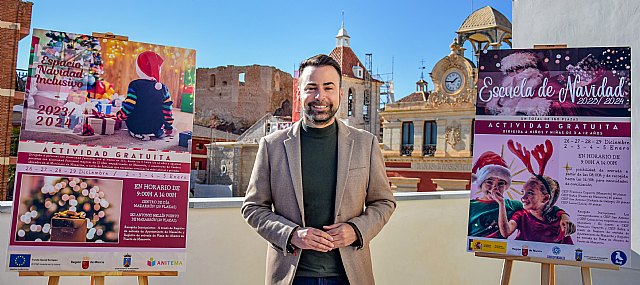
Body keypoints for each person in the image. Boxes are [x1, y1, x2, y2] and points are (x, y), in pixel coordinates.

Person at [242, 54, 396, 285]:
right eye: (311, 88)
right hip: (291, 276)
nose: (320, 96)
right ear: (299, 93)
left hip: (350, 275)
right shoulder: (271, 145)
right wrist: (292, 235)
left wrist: (356, 230)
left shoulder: (366, 143)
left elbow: (384, 202)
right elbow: (253, 207)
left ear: (341, 94)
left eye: (328, 88)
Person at [468, 151, 574, 239]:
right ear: (480, 184)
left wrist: (564, 217)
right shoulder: (472, 205)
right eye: (489, 182)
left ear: (506, 186)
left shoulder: (514, 206)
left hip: (500, 250)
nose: (494, 188)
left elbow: (544, 207)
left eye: (500, 183)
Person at [497, 175, 574, 244]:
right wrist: (501, 203)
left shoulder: (559, 222)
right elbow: (506, 232)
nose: (523, 198)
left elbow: (569, 251)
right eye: (523, 192)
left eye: (530, 193)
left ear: (545, 198)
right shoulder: (521, 215)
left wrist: (564, 217)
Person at [116, 51, 174, 141]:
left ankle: (137, 133)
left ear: (139, 69)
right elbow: (167, 109)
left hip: (137, 125)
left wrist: (120, 116)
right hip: (156, 125)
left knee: (133, 123)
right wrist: (168, 126)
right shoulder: (163, 88)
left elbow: (129, 106)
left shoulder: (134, 85)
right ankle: (157, 131)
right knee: (157, 117)